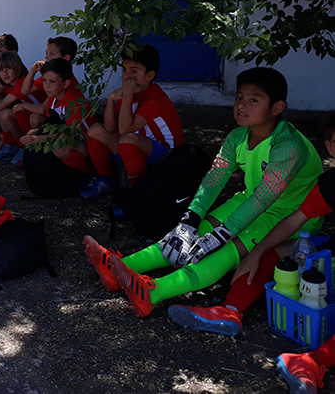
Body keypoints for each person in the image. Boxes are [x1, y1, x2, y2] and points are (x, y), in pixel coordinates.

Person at [84, 67, 324, 320]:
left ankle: (154, 292)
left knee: (226, 249)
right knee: (188, 234)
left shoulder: (288, 145)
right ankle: (121, 267)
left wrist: (224, 232)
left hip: (293, 214)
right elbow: (214, 179)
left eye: (254, 100)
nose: (242, 105)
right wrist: (190, 219)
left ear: (277, 108)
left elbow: (265, 197)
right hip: (252, 198)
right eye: (239, 97)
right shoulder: (237, 136)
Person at [166, 113, 335, 394]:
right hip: (329, 246)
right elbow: (295, 221)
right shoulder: (329, 184)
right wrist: (257, 251)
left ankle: (313, 361)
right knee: (276, 254)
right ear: (329, 147)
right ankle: (229, 310)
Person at [81, 44, 183, 198]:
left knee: (127, 140)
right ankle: (107, 180)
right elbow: (110, 127)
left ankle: (137, 192)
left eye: (134, 71)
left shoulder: (155, 99)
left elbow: (124, 129)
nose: (127, 76)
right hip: (140, 145)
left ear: (150, 75)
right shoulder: (131, 93)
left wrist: (127, 94)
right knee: (95, 131)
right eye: (124, 70)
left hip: (168, 154)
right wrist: (111, 99)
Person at [18, 58, 95, 174]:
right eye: (44, 80)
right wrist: (36, 133)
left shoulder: (74, 102)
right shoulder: (53, 97)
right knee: (34, 131)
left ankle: (90, 173)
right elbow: (51, 124)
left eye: (52, 81)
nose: (46, 86)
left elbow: (70, 135)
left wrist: (38, 138)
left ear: (66, 83)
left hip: (87, 141)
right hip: (72, 138)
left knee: (60, 149)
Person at [0, 51, 46, 166]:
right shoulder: (9, 87)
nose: (4, 73)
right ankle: (12, 146)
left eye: (8, 68)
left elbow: (0, 105)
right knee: (6, 113)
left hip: (42, 117)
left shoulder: (22, 82)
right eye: (1, 70)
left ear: (17, 69)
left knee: (12, 112)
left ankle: (26, 149)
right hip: (31, 115)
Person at [19, 36, 78, 130]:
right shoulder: (49, 78)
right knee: (33, 118)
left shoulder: (63, 81)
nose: (46, 57)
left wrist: (23, 105)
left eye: (52, 54)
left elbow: (43, 109)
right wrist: (33, 70)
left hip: (69, 127)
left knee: (35, 119)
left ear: (66, 58)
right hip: (57, 120)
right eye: (46, 53)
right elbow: (25, 91)